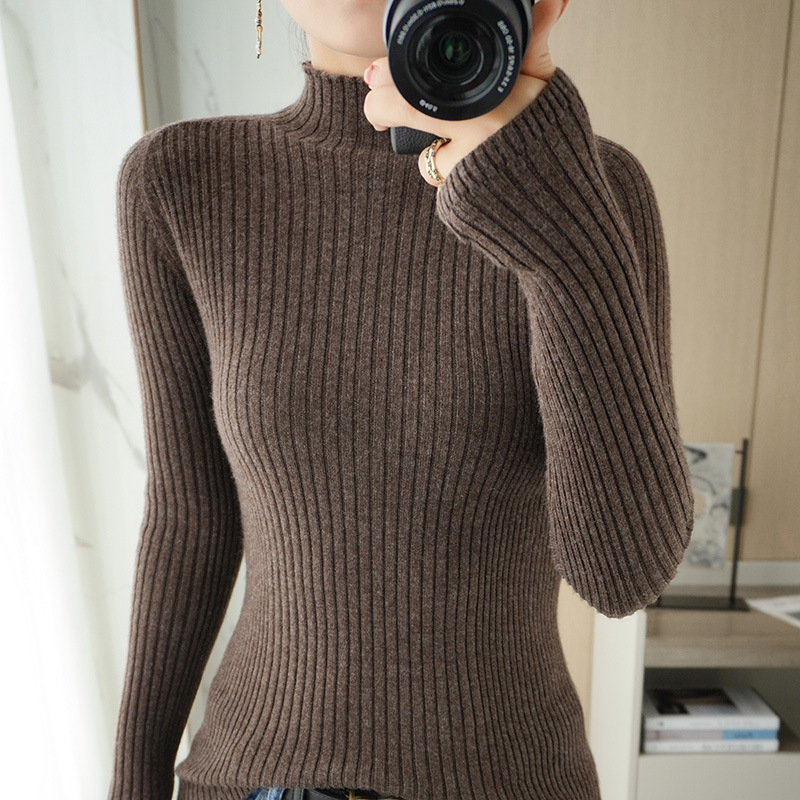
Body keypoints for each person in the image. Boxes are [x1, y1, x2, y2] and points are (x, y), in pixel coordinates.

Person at [106, 0, 695, 799]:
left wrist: (557, 237)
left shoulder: (596, 189)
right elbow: (190, 519)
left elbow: (623, 577)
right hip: (253, 778)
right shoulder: (181, 179)